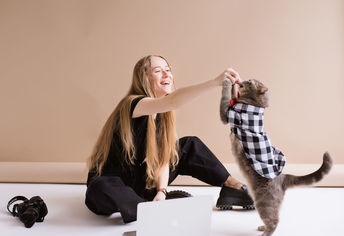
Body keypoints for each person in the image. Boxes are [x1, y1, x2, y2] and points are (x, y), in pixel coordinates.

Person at [85, 55, 254, 223]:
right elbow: (174, 101)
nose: (166, 75)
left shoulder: (163, 114)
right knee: (101, 186)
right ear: (144, 78)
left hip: (141, 183)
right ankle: (146, 209)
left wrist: (162, 191)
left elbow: (164, 158)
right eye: (158, 71)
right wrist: (214, 82)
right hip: (113, 186)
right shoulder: (133, 104)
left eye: (168, 70)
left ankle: (233, 187)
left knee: (189, 145)